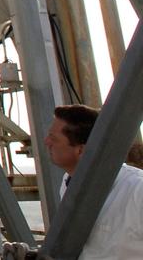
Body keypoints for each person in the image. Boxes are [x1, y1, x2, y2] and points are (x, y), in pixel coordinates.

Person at [43, 104, 143, 259]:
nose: (46, 141)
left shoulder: (137, 189)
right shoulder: (69, 182)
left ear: (81, 150)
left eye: (53, 138)